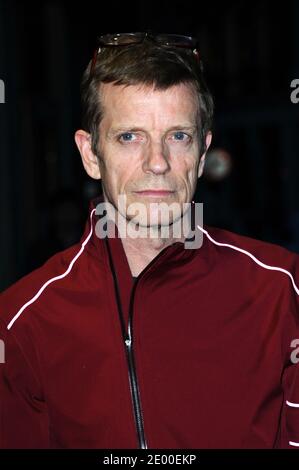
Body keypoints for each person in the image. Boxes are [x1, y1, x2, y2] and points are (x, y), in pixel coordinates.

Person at [0, 32, 298, 449]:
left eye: (178, 136)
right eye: (129, 137)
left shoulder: (283, 289)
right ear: (90, 154)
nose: (157, 163)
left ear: (202, 150)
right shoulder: (22, 322)